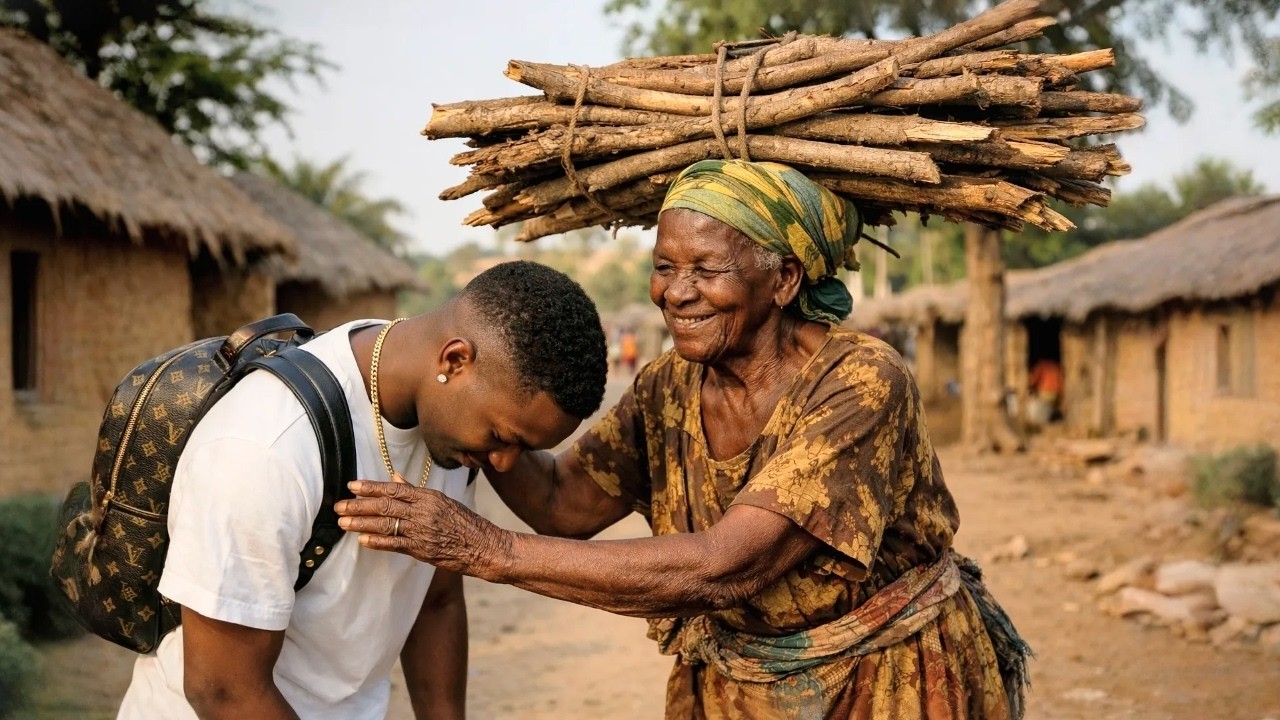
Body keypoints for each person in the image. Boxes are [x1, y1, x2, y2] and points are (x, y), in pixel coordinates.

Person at [336, 160, 1032, 719]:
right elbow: (561, 502)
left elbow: (726, 568)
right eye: (665, 266)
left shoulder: (859, 381)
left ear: (784, 279)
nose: (676, 292)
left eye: (706, 269)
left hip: (884, 683)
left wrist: (485, 549)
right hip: (734, 689)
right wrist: (471, 419)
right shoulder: (667, 387)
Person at [117, 261, 608, 720]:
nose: (504, 464)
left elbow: (434, 601)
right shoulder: (268, 445)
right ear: (455, 359)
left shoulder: (450, 431)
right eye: (502, 437)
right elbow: (222, 689)